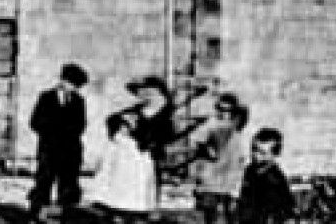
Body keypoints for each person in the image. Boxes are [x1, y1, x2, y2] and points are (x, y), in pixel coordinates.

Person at [93, 76, 174, 218]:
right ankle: (119, 207)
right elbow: (113, 119)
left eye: (150, 92)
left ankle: (142, 210)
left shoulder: (164, 115)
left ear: (160, 94)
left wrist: (135, 128)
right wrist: (122, 125)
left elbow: (161, 137)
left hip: (147, 155)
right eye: (143, 93)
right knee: (123, 182)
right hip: (129, 157)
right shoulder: (137, 109)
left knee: (145, 186)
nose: (146, 96)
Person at [28, 63, 89, 221]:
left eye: (77, 86)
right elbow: (35, 122)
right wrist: (53, 131)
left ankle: (65, 215)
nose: (73, 88)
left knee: (68, 185)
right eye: (71, 84)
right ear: (62, 80)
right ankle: (37, 214)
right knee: (43, 182)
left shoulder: (79, 100)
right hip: (49, 149)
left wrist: (67, 133)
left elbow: (81, 125)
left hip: (71, 151)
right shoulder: (46, 97)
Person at [188, 92, 250, 224]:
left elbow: (239, 156)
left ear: (234, 112)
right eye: (219, 109)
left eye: (227, 110)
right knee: (210, 214)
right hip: (212, 175)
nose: (222, 113)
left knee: (232, 213)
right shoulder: (212, 126)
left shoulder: (236, 129)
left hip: (230, 174)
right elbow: (196, 141)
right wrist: (206, 149)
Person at [236, 128, 295, 224]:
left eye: (262, 153)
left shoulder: (274, 179)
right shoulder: (250, 170)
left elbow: (279, 210)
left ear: (275, 154)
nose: (256, 155)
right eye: (254, 149)